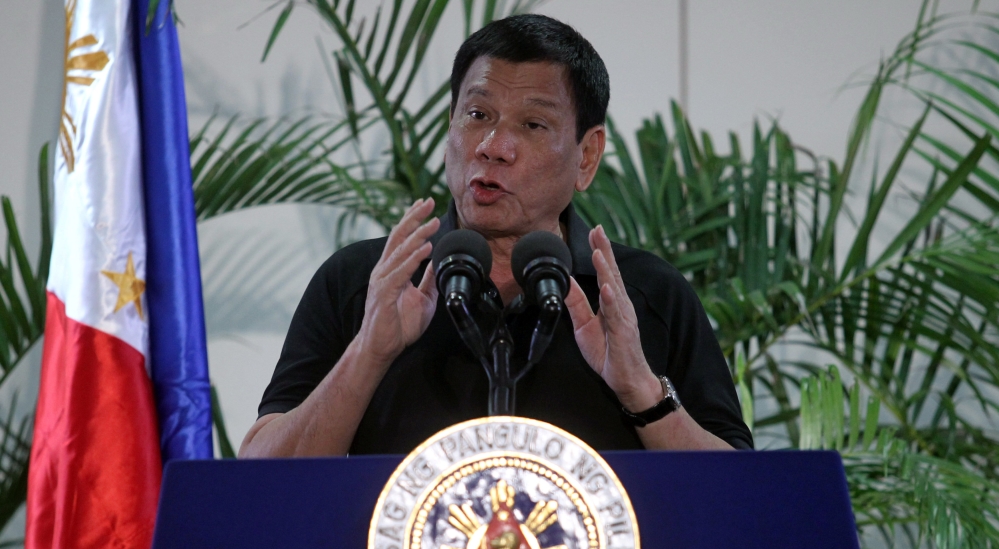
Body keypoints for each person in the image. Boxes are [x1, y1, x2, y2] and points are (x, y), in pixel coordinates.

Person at [239, 14, 752, 458]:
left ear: (587, 156)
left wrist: (642, 392)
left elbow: (740, 494)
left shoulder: (642, 296)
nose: (493, 146)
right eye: (478, 115)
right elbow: (261, 480)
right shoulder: (365, 283)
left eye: (532, 125)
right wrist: (368, 353)